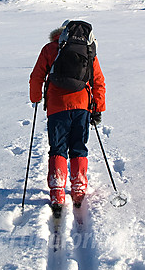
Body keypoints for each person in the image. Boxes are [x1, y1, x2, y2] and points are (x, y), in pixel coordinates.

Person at [29, 22, 106, 211]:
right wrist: (98, 108)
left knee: (58, 147)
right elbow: (98, 81)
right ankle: (79, 188)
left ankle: (57, 190)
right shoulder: (87, 50)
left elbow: (36, 76)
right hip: (83, 105)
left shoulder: (50, 49)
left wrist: (36, 98)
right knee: (78, 146)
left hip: (57, 106)